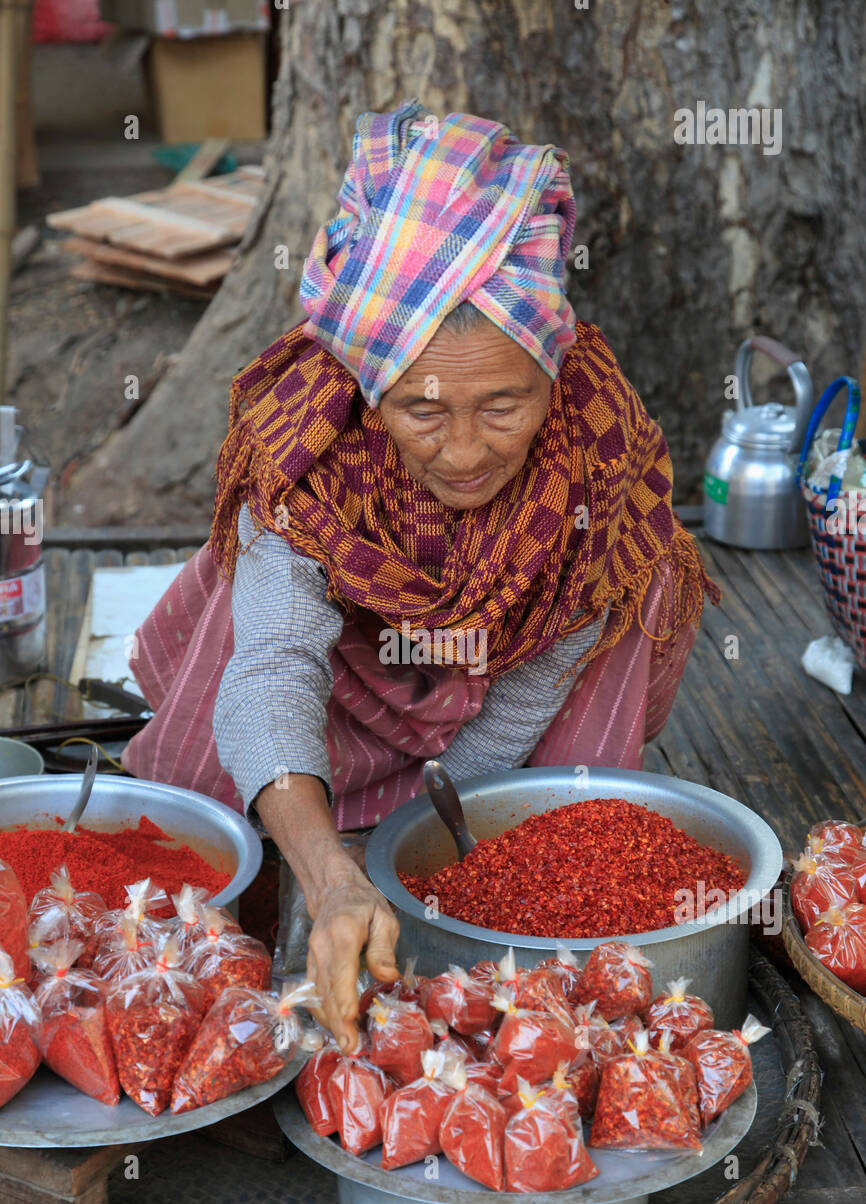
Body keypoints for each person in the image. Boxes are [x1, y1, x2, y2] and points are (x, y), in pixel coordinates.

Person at [123, 99, 719, 1052]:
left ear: (548, 372)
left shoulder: (594, 453)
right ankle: (318, 821)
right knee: (232, 764)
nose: (470, 451)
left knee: (635, 578)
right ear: (368, 382)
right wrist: (330, 875)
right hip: (351, 683)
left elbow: (518, 710)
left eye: (505, 404)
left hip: (500, 691)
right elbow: (274, 668)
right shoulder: (303, 446)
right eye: (423, 410)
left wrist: (404, 855)